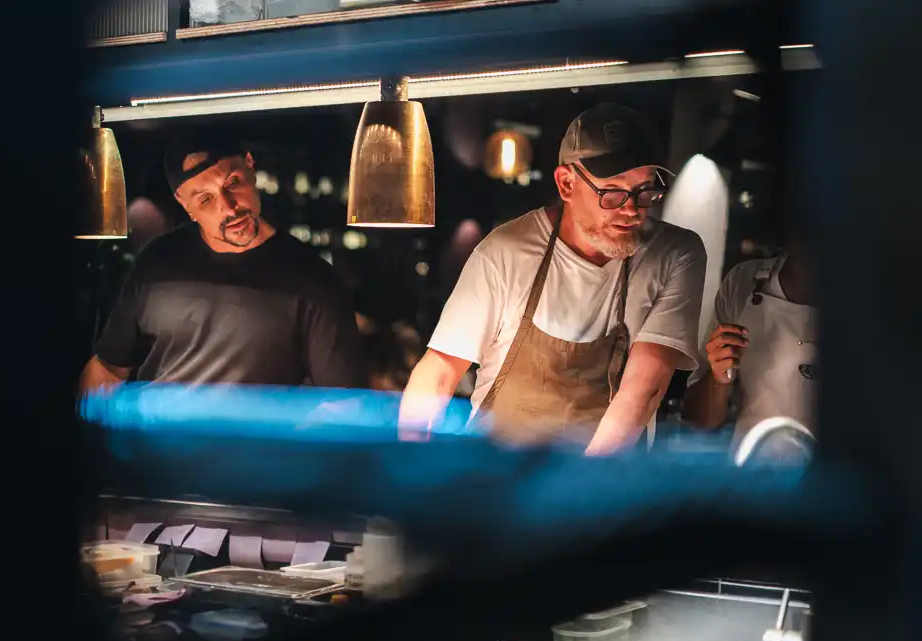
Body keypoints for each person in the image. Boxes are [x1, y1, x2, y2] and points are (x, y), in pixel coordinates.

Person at [398, 103, 707, 453]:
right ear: (566, 183)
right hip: (493, 471)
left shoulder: (674, 254)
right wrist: (408, 463)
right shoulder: (505, 252)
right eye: (613, 192)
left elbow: (643, 391)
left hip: (603, 476)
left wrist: (579, 483)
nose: (632, 209)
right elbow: (438, 372)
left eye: (645, 190)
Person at [80, 134, 367, 392]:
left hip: (250, 436)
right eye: (206, 199)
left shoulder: (314, 280)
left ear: (250, 166)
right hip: (156, 433)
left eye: (233, 183)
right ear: (184, 205)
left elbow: (341, 403)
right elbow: (107, 370)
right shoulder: (156, 263)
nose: (229, 208)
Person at [681, 233, 818, 448]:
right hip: (749, 461)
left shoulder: (870, 302)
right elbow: (699, 420)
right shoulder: (743, 282)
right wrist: (718, 378)